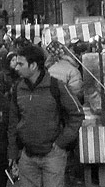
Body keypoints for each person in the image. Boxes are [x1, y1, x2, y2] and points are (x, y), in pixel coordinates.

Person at [8, 44, 84, 187]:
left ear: (33, 65)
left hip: (53, 155)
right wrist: (13, 152)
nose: (16, 67)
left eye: (20, 63)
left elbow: (77, 114)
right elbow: (13, 122)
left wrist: (62, 142)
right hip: (27, 156)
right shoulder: (18, 89)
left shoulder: (56, 86)